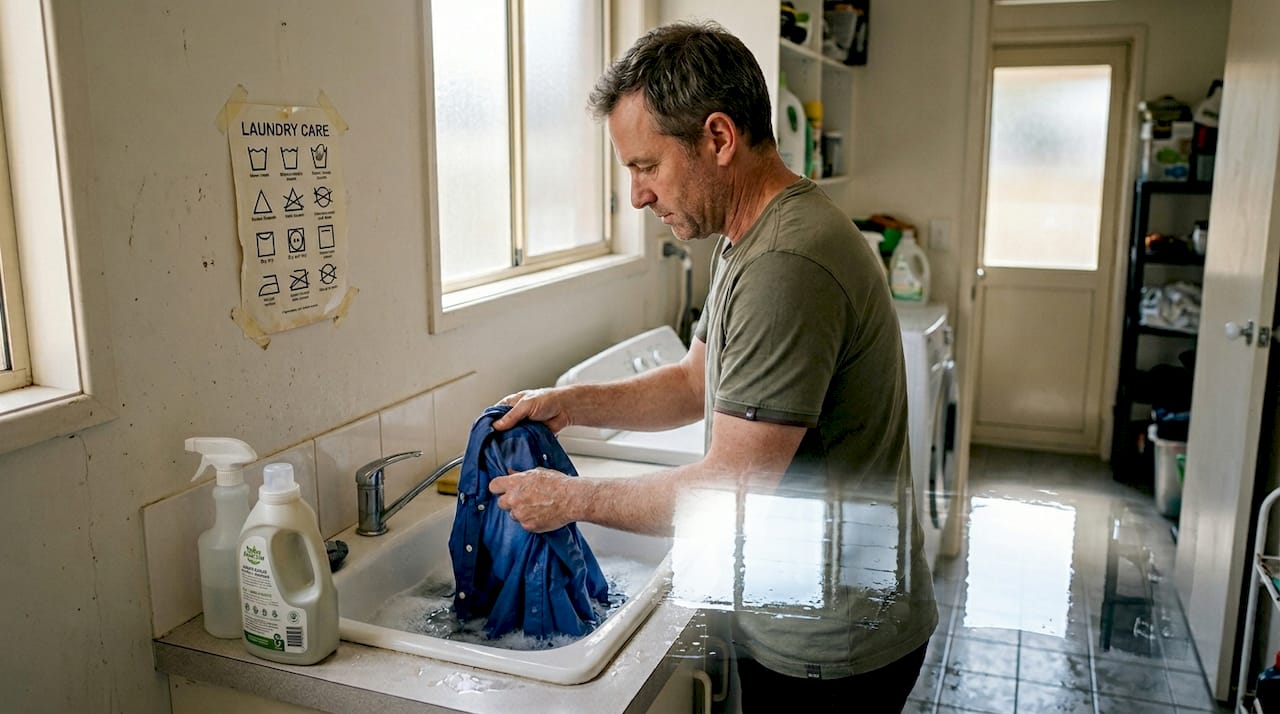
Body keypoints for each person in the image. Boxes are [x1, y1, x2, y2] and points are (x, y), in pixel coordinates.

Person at [487, 21, 936, 712]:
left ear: (718, 139)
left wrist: (572, 500)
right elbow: (695, 383)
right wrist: (570, 402)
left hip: (834, 643)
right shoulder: (746, 238)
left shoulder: (787, 264)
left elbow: (732, 488)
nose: (637, 195)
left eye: (646, 166)